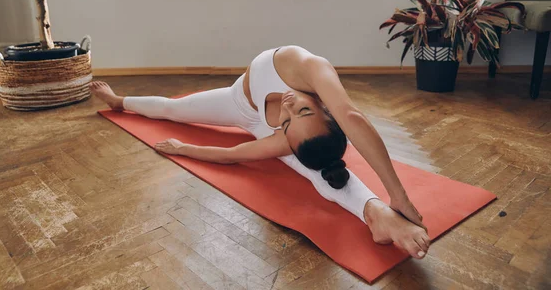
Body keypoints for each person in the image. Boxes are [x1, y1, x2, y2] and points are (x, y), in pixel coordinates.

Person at [90, 46, 430, 258]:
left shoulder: (283, 140)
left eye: (288, 122)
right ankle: (120, 101)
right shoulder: (307, 68)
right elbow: (352, 117)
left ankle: (376, 215)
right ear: (328, 111)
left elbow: (233, 154)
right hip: (235, 101)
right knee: (172, 109)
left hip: (257, 126)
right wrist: (398, 194)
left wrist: (184, 149)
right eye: (305, 111)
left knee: (321, 170)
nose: (289, 107)